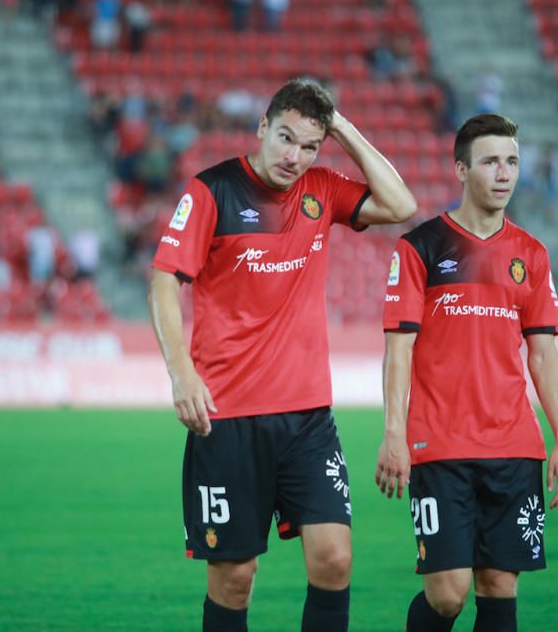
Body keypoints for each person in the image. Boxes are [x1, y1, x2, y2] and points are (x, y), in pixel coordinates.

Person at [148, 78, 416, 632]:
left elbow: (401, 204)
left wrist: (341, 127)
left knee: (334, 559)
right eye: (286, 138)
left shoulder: (322, 189)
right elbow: (163, 282)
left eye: (310, 146)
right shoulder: (213, 192)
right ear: (262, 128)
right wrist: (181, 373)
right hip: (226, 417)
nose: (295, 157)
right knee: (235, 577)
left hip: (307, 416)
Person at [377, 114, 558, 632]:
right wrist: (394, 433)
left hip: (514, 446)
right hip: (440, 446)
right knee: (447, 595)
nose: (503, 173)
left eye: (512, 161)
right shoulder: (421, 247)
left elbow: (543, 355)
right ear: (461, 169)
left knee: (499, 587)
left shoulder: (531, 255)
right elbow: (398, 351)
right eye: (490, 162)